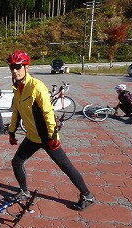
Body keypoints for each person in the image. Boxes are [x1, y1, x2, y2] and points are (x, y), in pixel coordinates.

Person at [6, 50, 95, 211]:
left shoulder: (36, 87)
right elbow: (16, 112)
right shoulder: (17, 88)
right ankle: (24, 191)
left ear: (26, 67)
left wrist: (53, 135)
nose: (14, 70)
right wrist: (12, 132)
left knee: (65, 166)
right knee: (16, 162)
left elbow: (48, 113)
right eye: (12, 66)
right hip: (32, 137)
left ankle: (87, 195)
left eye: (18, 66)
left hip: (47, 137)